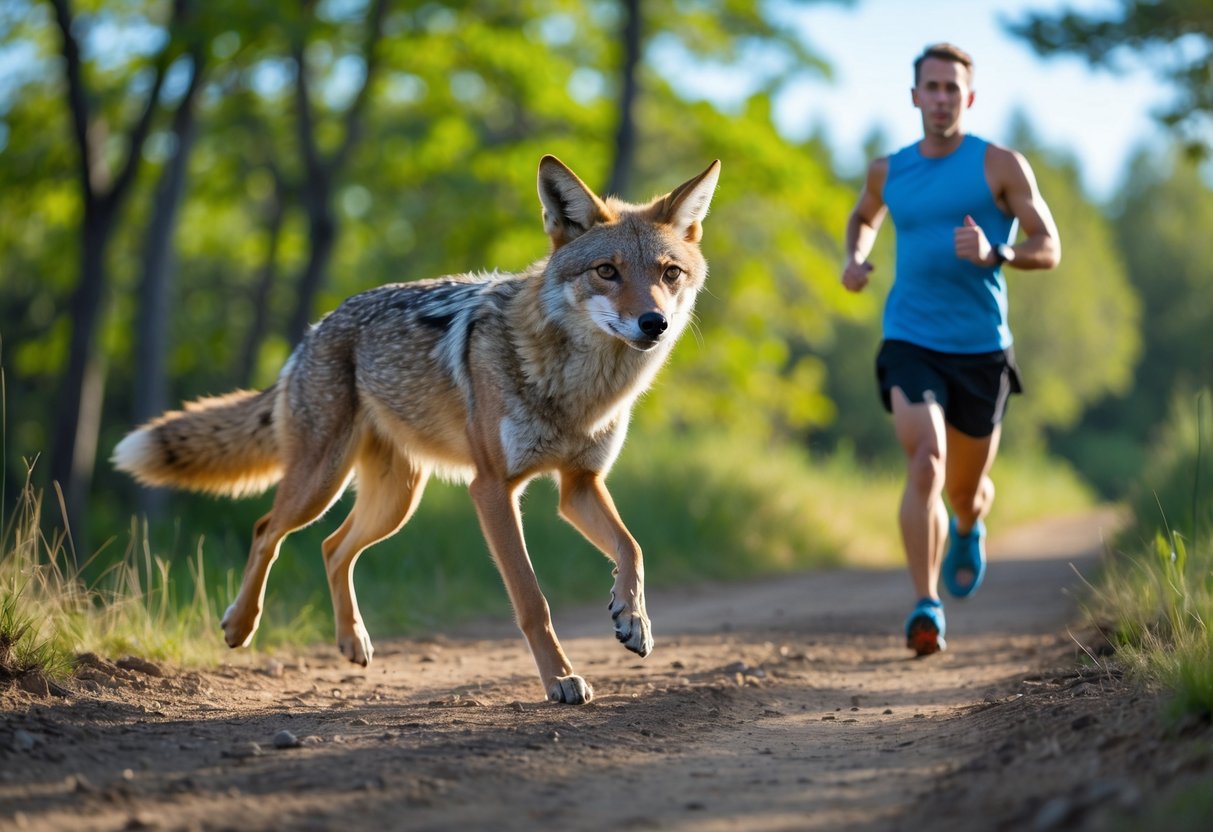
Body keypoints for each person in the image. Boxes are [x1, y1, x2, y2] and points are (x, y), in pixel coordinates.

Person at [840, 43, 1061, 656]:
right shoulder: (889, 170)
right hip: (910, 338)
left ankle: (968, 523)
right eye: (930, 87)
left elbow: (1049, 245)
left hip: (981, 350)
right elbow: (864, 215)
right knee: (926, 462)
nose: (940, 98)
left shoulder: (1000, 165)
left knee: (965, 489)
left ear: (970, 96)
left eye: (951, 88)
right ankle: (925, 603)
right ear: (914, 97)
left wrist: (999, 253)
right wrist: (855, 258)